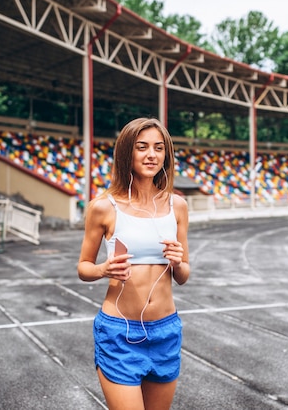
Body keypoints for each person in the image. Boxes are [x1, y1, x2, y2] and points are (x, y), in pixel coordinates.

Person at [77, 117, 190, 410]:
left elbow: (184, 275)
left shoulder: (176, 205)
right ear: (127, 152)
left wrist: (178, 262)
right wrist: (103, 269)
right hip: (120, 333)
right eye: (142, 147)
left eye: (159, 148)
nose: (152, 155)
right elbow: (84, 267)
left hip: (165, 331)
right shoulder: (104, 207)